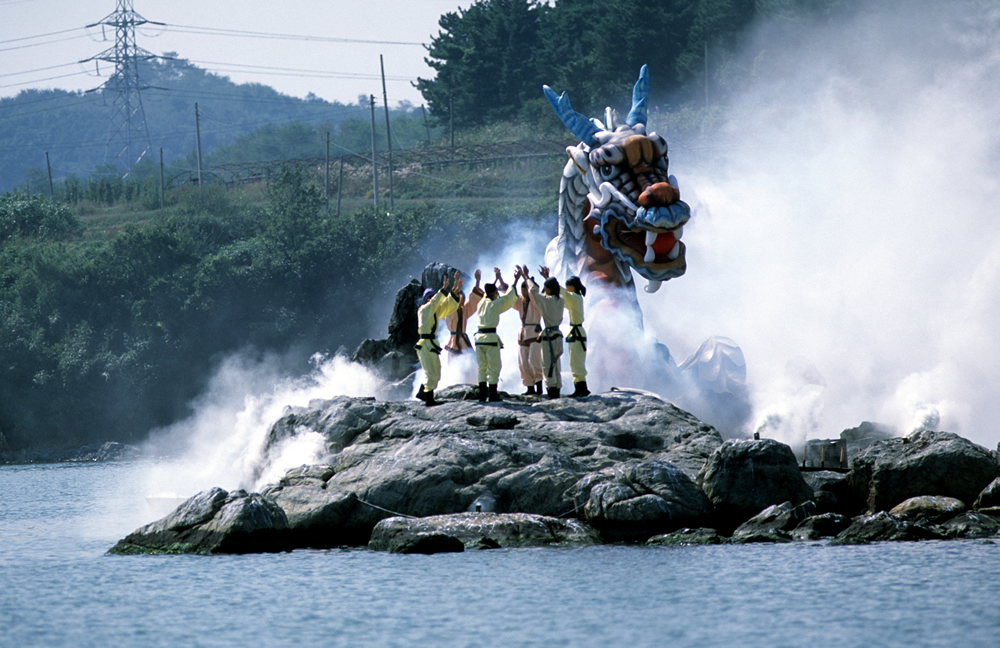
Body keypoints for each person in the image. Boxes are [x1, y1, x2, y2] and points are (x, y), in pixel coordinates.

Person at [414, 270, 463, 406]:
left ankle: (423, 394)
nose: (433, 299)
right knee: (431, 372)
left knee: (435, 371)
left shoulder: (432, 312)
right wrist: (443, 290)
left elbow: (446, 306)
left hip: (430, 344)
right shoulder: (424, 310)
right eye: (431, 297)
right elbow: (435, 303)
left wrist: (455, 289)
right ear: (426, 300)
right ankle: (429, 399)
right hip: (425, 344)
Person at [520, 265, 565, 399]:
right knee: (556, 365)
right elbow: (552, 290)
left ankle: (552, 393)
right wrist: (547, 277)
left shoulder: (546, 300)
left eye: (546, 288)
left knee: (547, 366)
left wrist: (526, 277)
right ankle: (556, 391)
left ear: (549, 289)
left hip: (549, 337)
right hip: (558, 335)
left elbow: (533, 291)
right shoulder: (560, 299)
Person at [473, 267, 517, 402]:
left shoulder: (481, 303)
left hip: (479, 339)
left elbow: (488, 294)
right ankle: (492, 395)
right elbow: (509, 298)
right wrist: (516, 280)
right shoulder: (495, 304)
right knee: (493, 367)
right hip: (490, 339)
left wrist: (496, 279)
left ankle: (482, 396)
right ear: (494, 294)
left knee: (482, 367)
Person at [514, 270, 543, 395]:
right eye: (522, 289)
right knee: (523, 362)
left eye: (525, 289)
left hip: (534, 332)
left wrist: (526, 277)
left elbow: (534, 290)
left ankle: (539, 387)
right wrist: (516, 280)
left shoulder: (536, 300)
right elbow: (510, 294)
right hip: (523, 333)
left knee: (533, 360)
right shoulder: (520, 301)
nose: (523, 292)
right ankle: (530, 387)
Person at [444, 269, 484, 356]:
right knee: (454, 364)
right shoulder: (449, 310)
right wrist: (456, 284)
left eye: (463, 299)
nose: (462, 301)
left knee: (470, 361)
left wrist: (477, 281)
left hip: (463, 339)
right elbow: (450, 299)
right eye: (460, 299)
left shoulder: (463, 309)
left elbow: (473, 301)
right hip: (454, 341)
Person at [562, 274, 590, 397]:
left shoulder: (575, 297)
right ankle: (579, 388)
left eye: (567, 287)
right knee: (574, 362)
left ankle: (582, 389)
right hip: (575, 332)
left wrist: (549, 279)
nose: (566, 289)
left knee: (577, 362)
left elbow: (564, 294)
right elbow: (564, 300)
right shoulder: (574, 298)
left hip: (577, 332)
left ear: (572, 287)